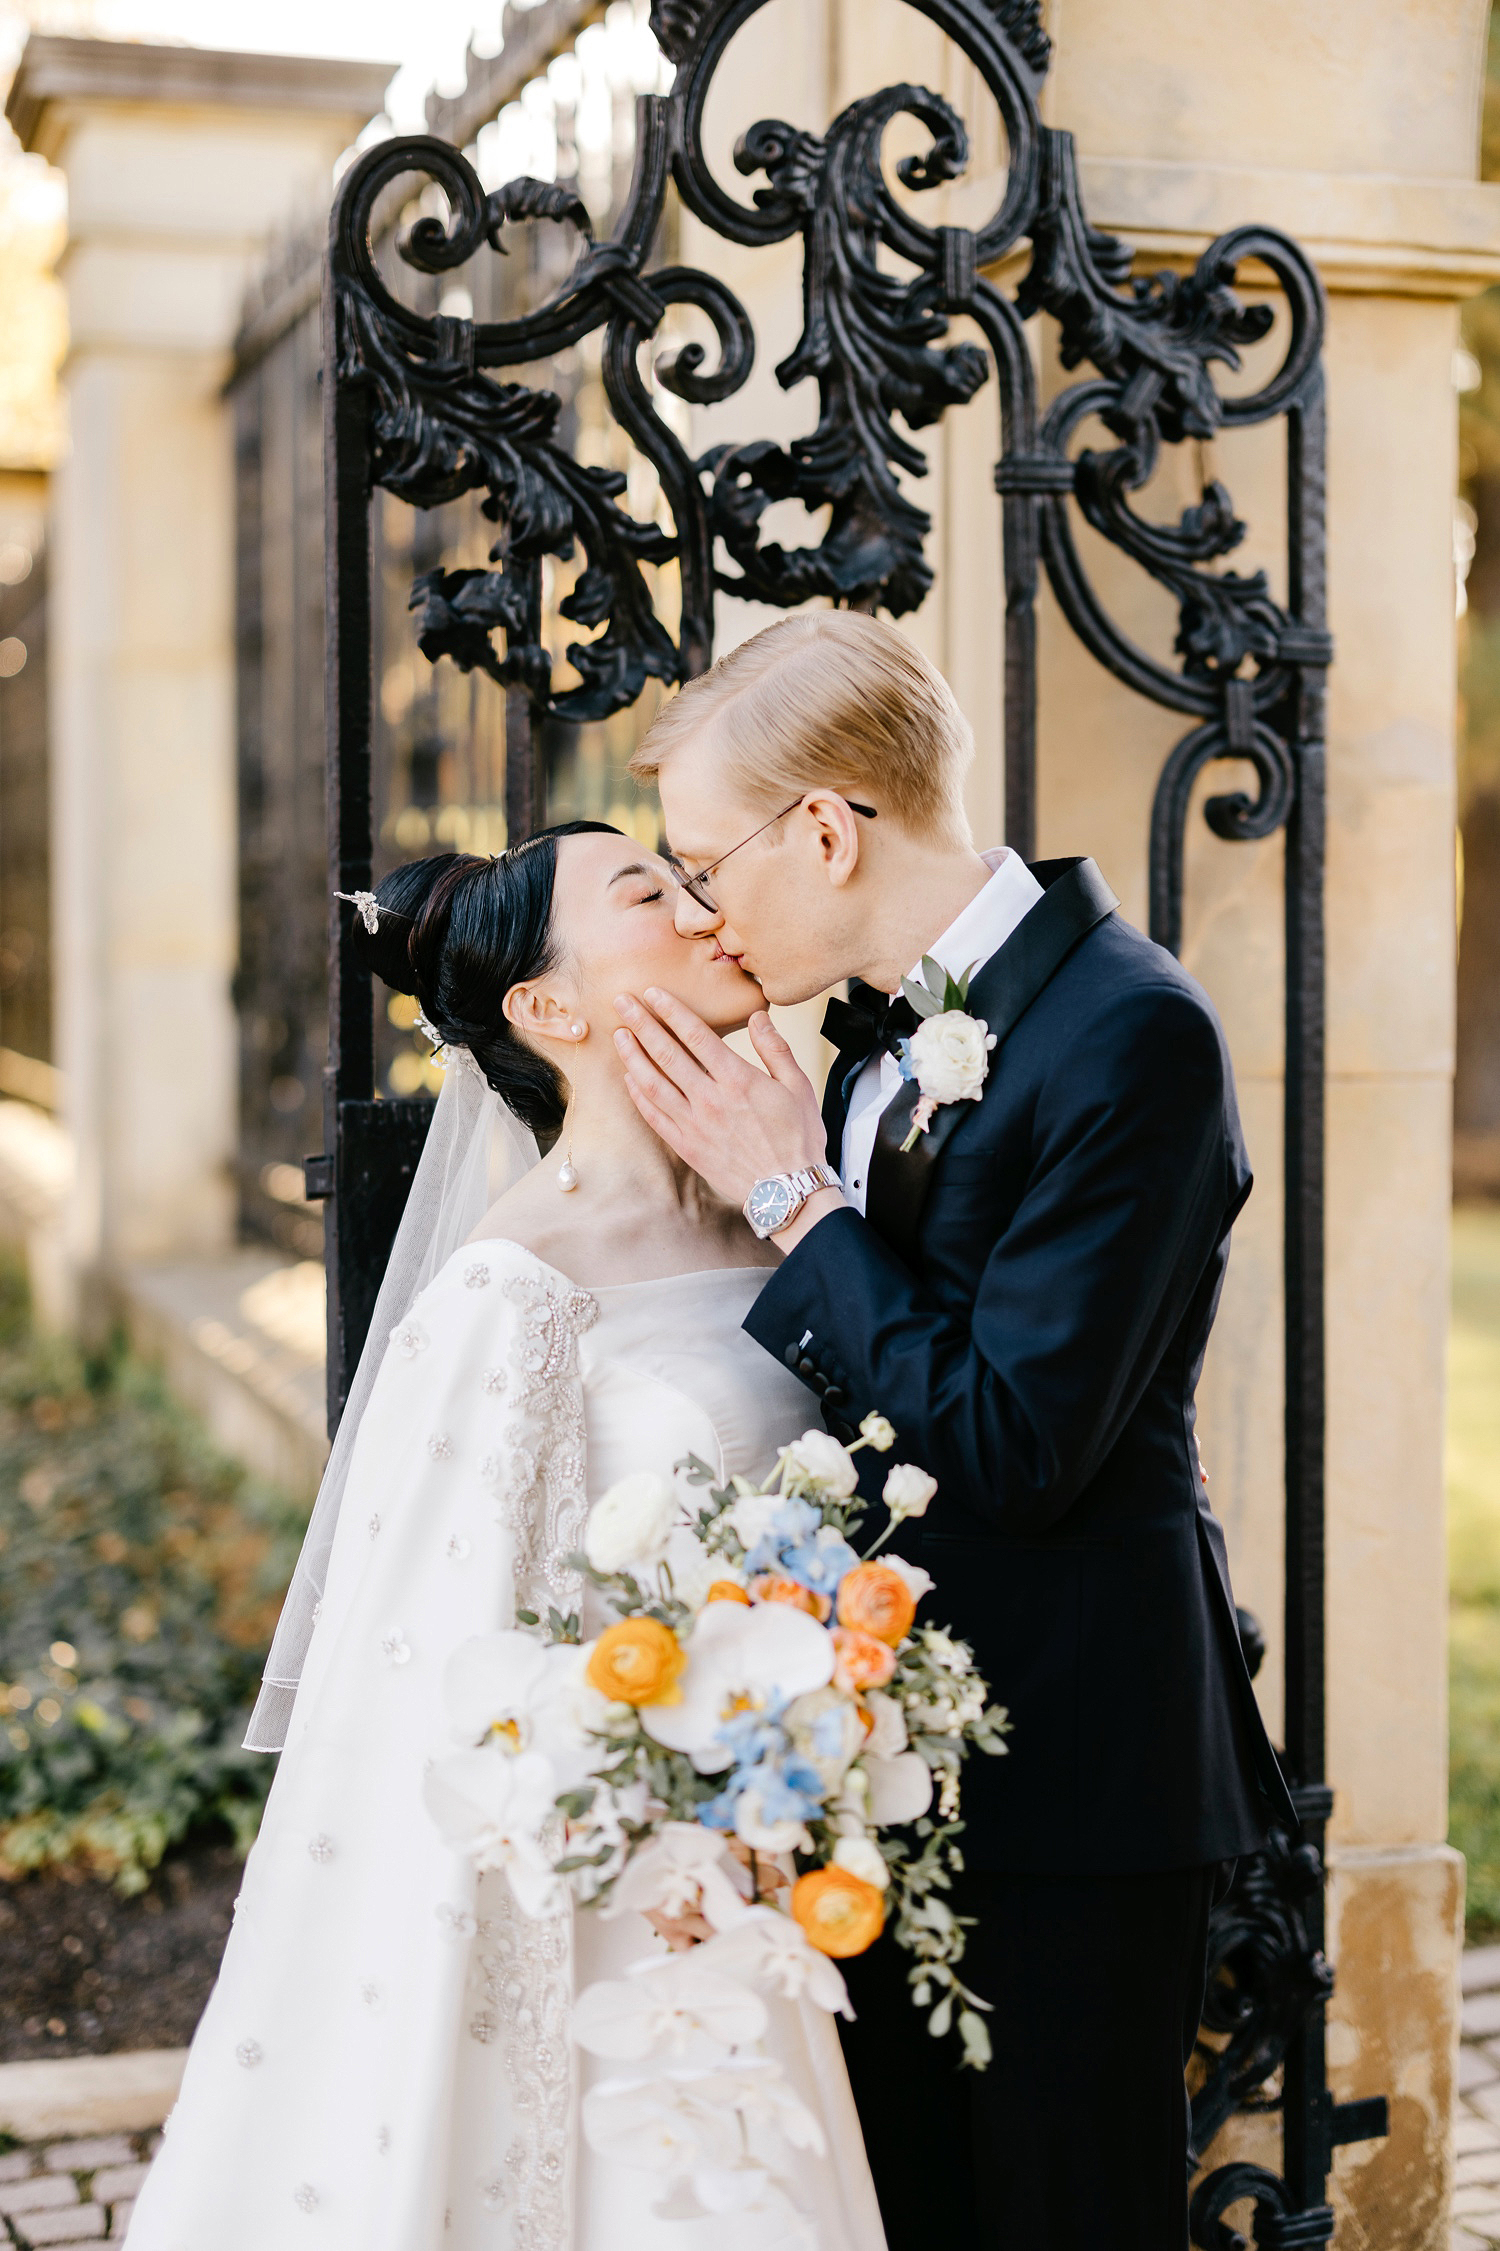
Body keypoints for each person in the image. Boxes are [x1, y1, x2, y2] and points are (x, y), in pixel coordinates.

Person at [610, 610, 1299, 2251]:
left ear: (828, 828)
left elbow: (1008, 1444)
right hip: (876, 1764)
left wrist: (796, 1199)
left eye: (707, 864)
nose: (700, 908)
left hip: (1074, 1775)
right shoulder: (860, 1041)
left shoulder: (1134, 1033)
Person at [126, 823, 886, 2251]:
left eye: (689, 875)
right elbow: (427, 1673)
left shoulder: (798, 1208)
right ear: (549, 1010)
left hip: (779, 1840)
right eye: (647, 892)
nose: (700, 904)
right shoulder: (510, 1290)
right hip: (622, 1880)